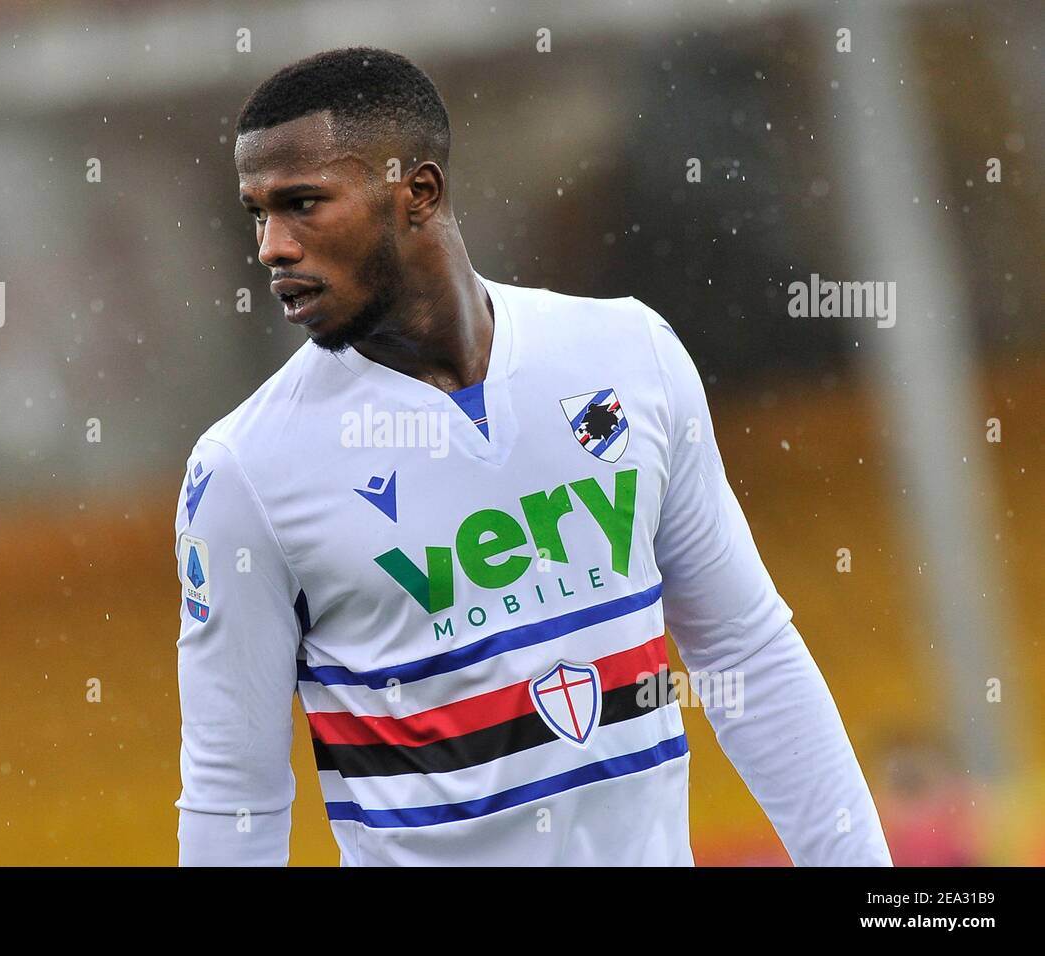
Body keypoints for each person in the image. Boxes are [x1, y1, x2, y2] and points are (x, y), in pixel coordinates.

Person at [174, 46, 892, 866]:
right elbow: (235, 795)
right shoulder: (244, 470)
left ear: (419, 193)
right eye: (256, 214)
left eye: (303, 204)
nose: (271, 246)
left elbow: (744, 653)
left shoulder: (627, 352)